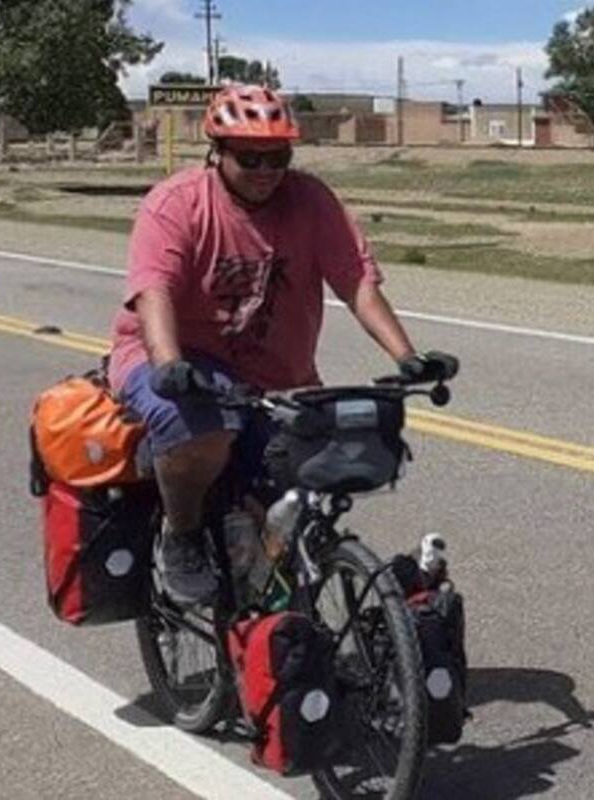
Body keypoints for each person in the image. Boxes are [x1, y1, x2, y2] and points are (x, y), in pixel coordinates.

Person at [109, 84, 450, 605]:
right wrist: (169, 363)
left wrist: (406, 357)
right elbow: (154, 290)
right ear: (217, 152)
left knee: (309, 481)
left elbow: (356, 282)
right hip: (175, 360)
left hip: (274, 376)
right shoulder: (177, 205)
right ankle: (182, 535)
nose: (266, 170)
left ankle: (279, 609)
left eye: (278, 157)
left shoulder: (310, 201)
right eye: (250, 158)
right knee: (201, 426)